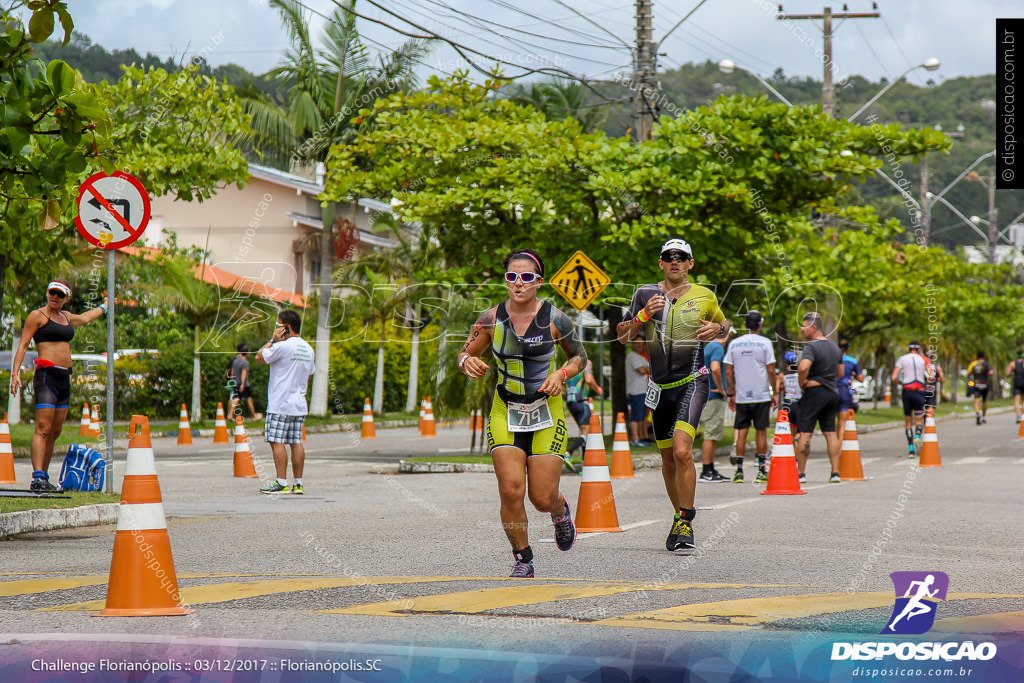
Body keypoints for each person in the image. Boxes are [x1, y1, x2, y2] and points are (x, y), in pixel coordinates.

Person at [457, 249, 585, 578]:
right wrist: (465, 361)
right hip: (506, 409)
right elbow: (464, 351)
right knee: (510, 489)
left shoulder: (557, 319)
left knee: (541, 497)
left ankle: (559, 511)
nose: (518, 283)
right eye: (511, 277)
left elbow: (579, 358)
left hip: (546, 408)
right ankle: (522, 556)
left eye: (526, 277)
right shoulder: (489, 320)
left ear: (539, 282)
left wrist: (561, 375)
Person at [616, 238, 729, 552]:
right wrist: (641, 316)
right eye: (669, 256)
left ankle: (686, 519)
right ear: (661, 263)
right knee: (667, 460)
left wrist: (718, 330)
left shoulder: (704, 295)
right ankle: (679, 516)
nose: (675, 261)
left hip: (693, 382)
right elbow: (622, 335)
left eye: (682, 257)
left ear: (690, 263)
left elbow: (726, 325)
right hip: (659, 389)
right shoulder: (644, 294)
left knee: (681, 452)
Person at [10, 279, 107, 492]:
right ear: (47, 293)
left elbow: (84, 318)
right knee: (43, 428)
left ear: (66, 298)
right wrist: (15, 373)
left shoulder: (65, 317)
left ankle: (43, 478)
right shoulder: (38, 316)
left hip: (64, 378)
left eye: (60, 295)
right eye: (52, 293)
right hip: (46, 377)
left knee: (55, 431)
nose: (55, 297)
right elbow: (23, 345)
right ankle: (37, 477)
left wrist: (105, 307)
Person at [256, 309, 315, 494]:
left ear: (286, 328)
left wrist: (273, 340)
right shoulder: (308, 348)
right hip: (298, 404)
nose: (277, 329)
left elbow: (259, 357)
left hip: (280, 403)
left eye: (279, 326)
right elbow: (309, 376)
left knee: (276, 441)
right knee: (295, 442)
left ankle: (281, 482)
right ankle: (298, 483)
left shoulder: (282, 346)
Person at [724, 310, 776, 484]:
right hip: (761, 394)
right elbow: (770, 369)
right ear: (760, 325)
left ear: (745, 325)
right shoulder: (766, 343)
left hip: (742, 396)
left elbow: (728, 371)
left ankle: (739, 472)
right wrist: (775, 391)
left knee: (742, 432)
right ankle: (761, 471)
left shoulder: (734, 344)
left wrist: (731, 392)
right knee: (761, 431)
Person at [795, 312, 843, 483]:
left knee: (806, 432)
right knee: (830, 432)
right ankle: (835, 473)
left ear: (813, 327)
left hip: (814, 394)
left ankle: (801, 474)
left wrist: (803, 382)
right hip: (832, 394)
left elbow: (802, 368)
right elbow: (841, 373)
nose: (801, 328)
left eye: (804, 325)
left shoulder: (811, 347)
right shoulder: (834, 347)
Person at [697, 326, 729, 482]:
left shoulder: (708, 347)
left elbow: (703, 370)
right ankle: (707, 471)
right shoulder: (718, 348)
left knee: (711, 433)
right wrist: (721, 388)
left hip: (705, 394)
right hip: (714, 396)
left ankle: (710, 469)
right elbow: (715, 368)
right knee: (711, 433)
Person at [890, 341, 930, 457]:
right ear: (919, 350)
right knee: (919, 420)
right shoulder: (923, 359)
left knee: (908, 421)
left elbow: (893, 377)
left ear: (909, 349)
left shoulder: (902, 359)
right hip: (919, 391)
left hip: (907, 391)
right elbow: (931, 376)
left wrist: (901, 382)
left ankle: (911, 449)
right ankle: (917, 436)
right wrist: (926, 384)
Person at [565, 354, 603, 458]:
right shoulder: (585, 362)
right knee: (587, 432)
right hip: (582, 401)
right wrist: (598, 389)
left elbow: (560, 387)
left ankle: (584, 463)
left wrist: (568, 394)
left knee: (584, 432)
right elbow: (589, 380)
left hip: (570, 403)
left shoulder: (566, 364)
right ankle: (568, 452)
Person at [836, 339, 865, 442]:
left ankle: (834, 446)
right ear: (848, 349)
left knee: (830, 424)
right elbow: (861, 379)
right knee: (842, 422)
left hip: (831, 391)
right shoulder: (852, 361)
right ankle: (839, 449)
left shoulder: (832, 359)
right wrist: (853, 374)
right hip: (844, 391)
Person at [625, 338, 652, 448]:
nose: (640, 345)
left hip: (643, 390)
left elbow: (647, 369)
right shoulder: (632, 356)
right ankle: (635, 439)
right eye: (637, 343)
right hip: (635, 391)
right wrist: (647, 368)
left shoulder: (640, 357)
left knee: (642, 416)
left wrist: (646, 368)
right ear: (632, 344)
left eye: (642, 343)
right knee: (636, 416)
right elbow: (641, 370)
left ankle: (642, 438)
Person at [227, 343, 262, 420]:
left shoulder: (235, 361)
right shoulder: (245, 362)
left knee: (235, 398)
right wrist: (243, 384)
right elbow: (244, 373)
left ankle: (230, 415)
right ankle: (253, 416)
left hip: (235, 382)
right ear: (246, 353)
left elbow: (232, 372)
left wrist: (233, 381)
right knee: (248, 399)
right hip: (244, 384)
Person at [966, 351, 994, 425]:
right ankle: (984, 417)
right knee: (984, 401)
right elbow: (991, 372)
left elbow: (968, 372)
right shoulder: (986, 364)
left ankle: (977, 413)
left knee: (977, 400)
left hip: (976, 384)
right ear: (984, 356)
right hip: (985, 384)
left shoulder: (973, 364)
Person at [776, 350, 802, 428]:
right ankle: (798, 437)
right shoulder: (800, 373)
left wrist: (781, 387)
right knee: (801, 428)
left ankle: (793, 439)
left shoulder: (781, 375)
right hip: (800, 402)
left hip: (788, 403)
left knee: (791, 426)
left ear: (785, 362)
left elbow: (777, 390)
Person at [1005, 350, 1024, 424]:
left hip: (1017, 383)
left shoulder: (1013, 363)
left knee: (1016, 400)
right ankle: (1023, 415)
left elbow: (1007, 373)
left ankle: (1018, 416)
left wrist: (1013, 373)